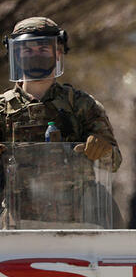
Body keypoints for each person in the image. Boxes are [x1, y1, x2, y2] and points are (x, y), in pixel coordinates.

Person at [0, 17, 121, 168]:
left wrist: (103, 150)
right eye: (27, 50)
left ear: (57, 53)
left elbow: (114, 162)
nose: (35, 56)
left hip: (72, 192)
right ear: (17, 56)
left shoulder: (81, 105)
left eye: (43, 50)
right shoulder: (2, 109)